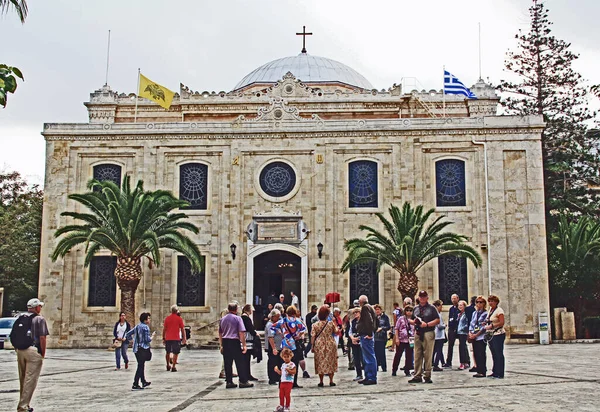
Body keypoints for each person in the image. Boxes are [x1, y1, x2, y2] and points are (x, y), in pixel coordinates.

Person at [14, 298, 49, 412]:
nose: (41, 308)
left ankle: (24, 404)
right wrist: (42, 353)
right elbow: (42, 337)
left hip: (20, 350)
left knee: (23, 378)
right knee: (30, 380)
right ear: (36, 307)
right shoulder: (39, 319)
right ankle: (23, 407)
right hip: (33, 351)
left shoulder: (21, 317)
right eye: (40, 306)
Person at [219, 302, 253, 389]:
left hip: (225, 342)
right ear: (236, 309)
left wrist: (221, 345)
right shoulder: (238, 319)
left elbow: (220, 333)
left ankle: (229, 381)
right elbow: (241, 332)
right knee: (239, 362)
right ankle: (243, 381)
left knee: (228, 362)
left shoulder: (223, 319)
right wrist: (244, 345)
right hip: (234, 341)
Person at [408, 290, 439, 384]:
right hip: (418, 332)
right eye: (421, 297)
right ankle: (417, 375)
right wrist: (413, 322)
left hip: (428, 332)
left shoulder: (432, 308)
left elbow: (437, 320)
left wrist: (427, 324)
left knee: (428, 355)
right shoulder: (416, 308)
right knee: (417, 354)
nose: (422, 298)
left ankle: (427, 375)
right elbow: (411, 319)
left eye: (424, 297)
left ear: (427, 297)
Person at [272, 306, 306, 388]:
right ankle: (293, 383)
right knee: (294, 364)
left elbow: (273, 327)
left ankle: (282, 382)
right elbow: (303, 329)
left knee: (283, 363)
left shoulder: (282, 321)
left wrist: (281, 333)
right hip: (294, 345)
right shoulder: (297, 321)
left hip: (285, 345)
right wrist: (298, 335)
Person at [351, 295, 378, 385]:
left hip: (366, 336)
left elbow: (369, 321)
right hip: (366, 335)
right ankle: (368, 376)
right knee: (366, 357)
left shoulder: (365, 308)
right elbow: (376, 321)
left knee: (369, 357)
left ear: (361, 302)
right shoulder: (371, 308)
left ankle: (371, 377)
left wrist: (370, 334)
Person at [310, 305, 338, 387]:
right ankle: (331, 380)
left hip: (319, 343)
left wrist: (312, 345)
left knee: (320, 361)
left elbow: (313, 336)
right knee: (331, 361)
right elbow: (336, 331)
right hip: (330, 342)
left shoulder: (315, 325)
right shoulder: (330, 323)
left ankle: (321, 380)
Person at [126, 312, 154, 390]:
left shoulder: (137, 326)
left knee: (141, 365)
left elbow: (128, 334)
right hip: (143, 349)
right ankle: (135, 383)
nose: (149, 320)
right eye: (148, 318)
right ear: (145, 320)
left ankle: (143, 381)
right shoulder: (145, 327)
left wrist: (132, 341)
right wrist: (152, 336)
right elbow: (147, 339)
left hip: (136, 349)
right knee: (140, 366)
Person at [486, 295, 506, 379]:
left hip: (498, 334)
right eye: (489, 301)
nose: (490, 303)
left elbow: (502, 322)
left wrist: (492, 325)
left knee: (498, 353)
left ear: (496, 302)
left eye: (492, 301)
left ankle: (500, 372)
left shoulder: (499, 310)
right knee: (493, 353)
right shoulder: (491, 310)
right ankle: (495, 371)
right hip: (491, 334)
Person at [391, 305, 414, 377]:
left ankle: (407, 370)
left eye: (410, 311)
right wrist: (397, 338)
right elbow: (396, 328)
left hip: (411, 339)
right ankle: (394, 370)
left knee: (409, 356)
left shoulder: (414, 319)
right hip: (401, 339)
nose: (409, 312)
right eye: (407, 310)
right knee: (398, 355)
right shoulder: (401, 319)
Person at [469, 296, 489, 378]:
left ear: (484, 303)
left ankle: (482, 371)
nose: (479, 304)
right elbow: (472, 323)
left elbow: (484, 326)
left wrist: (477, 334)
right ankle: (478, 369)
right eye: (477, 302)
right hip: (474, 336)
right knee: (476, 353)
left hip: (481, 336)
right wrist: (470, 333)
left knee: (481, 353)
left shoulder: (485, 314)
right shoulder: (474, 313)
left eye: (481, 302)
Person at [163, 305, 186, 372]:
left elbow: (164, 329)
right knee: (175, 352)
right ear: (176, 311)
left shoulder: (167, 318)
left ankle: (167, 365)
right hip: (176, 338)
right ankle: (173, 366)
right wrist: (184, 338)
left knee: (168, 352)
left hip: (168, 338)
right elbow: (182, 329)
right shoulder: (179, 319)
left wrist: (163, 337)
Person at [274, 348, 296, 412]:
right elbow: (281, 373)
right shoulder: (283, 365)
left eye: (288, 357)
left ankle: (287, 406)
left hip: (289, 382)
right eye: (284, 357)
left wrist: (289, 370)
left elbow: (294, 372)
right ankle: (281, 405)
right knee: (281, 394)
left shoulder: (292, 364)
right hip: (282, 381)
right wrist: (277, 370)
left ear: (291, 356)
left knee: (287, 394)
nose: (286, 358)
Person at [241, 304, 259, 381]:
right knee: (246, 359)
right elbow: (250, 328)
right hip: (247, 340)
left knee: (246, 359)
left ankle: (247, 374)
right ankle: (246, 375)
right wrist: (255, 333)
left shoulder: (243, 317)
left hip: (245, 339)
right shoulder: (246, 318)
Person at [266, 309, 284, 385]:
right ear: (273, 317)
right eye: (277, 317)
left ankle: (276, 377)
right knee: (273, 362)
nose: (278, 318)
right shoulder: (270, 325)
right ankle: (272, 378)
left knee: (277, 362)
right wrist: (274, 348)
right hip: (273, 347)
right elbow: (270, 337)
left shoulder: (276, 324)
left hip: (278, 346)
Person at [444, 294, 459, 368]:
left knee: (463, 345)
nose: (453, 300)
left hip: (459, 328)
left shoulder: (460, 307)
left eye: (455, 298)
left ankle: (465, 360)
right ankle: (448, 361)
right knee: (450, 345)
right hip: (452, 328)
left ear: (457, 299)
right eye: (452, 298)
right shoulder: (451, 309)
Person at [373, 304, 390, 372]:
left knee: (382, 352)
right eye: (376, 309)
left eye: (378, 309)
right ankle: (376, 367)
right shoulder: (373, 317)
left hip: (382, 337)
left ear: (381, 310)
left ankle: (384, 367)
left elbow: (388, 326)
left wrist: (382, 328)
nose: (377, 311)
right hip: (375, 337)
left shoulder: (385, 317)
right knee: (375, 352)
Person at [347, 308, 363, 381]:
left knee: (363, 359)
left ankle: (367, 374)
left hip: (362, 342)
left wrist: (358, 338)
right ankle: (359, 374)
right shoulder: (353, 322)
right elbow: (350, 331)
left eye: (357, 312)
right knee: (356, 359)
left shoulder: (363, 322)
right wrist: (352, 338)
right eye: (354, 313)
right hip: (354, 342)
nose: (355, 314)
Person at [456, 300, 471, 370]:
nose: (460, 306)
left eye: (461, 305)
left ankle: (463, 362)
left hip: (463, 332)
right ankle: (467, 361)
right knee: (463, 346)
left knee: (462, 347)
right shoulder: (459, 314)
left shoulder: (465, 314)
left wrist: (464, 329)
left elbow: (467, 323)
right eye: (459, 305)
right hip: (460, 332)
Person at [432, 300, 446, 372]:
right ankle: (436, 364)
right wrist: (444, 325)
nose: (441, 308)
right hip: (439, 335)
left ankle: (431, 363)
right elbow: (440, 326)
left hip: (435, 335)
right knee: (439, 350)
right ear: (437, 306)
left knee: (434, 350)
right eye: (441, 306)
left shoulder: (433, 314)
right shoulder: (438, 315)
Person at [465, 296, 477, 372]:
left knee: (474, 349)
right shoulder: (473, 310)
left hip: (472, 331)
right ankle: (476, 365)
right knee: (474, 349)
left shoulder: (468, 309)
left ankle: (476, 365)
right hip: (473, 331)